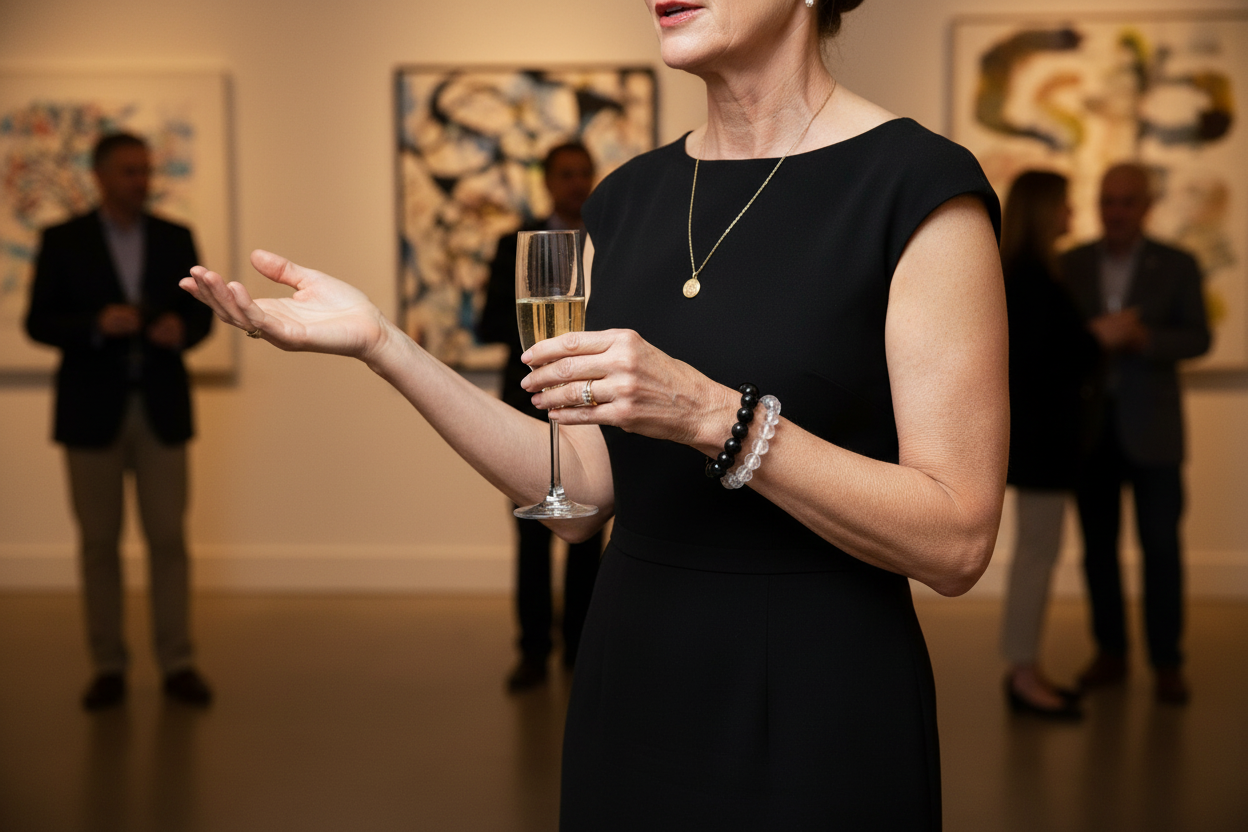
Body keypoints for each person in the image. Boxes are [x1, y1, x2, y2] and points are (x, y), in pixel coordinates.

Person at [182, 0, 1007, 826]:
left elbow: (957, 540)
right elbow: (577, 490)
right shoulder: (624, 200)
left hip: (818, 690)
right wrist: (384, 346)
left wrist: (714, 415)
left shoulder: (918, 187)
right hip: (633, 674)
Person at [25, 132, 215, 710]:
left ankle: (177, 661)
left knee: (169, 541)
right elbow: (37, 322)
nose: (142, 180)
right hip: (90, 411)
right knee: (99, 543)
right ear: (101, 175)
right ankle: (108, 665)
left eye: (146, 170)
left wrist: (181, 331)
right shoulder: (63, 240)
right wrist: (94, 325)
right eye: (130, 171)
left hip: (160, 407)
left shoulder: (175, 236)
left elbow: (201, 317)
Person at [1061, 163, 1210, 705]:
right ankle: (1111, 653)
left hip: (1154, 433)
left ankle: (1167, 662)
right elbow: (1054, 340)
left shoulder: (1177, 264)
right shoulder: (1071, 264)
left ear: (1146, 206)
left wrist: (1146, 339)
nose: (1115, 211)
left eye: (1126, 202)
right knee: (1098, 550)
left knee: (1161, 550)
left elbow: (1199, 338)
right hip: (1092, 432)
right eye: (1107, 201)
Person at [477, 142, 605, 692]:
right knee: (531, 530)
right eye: (566, 175)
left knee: (588, 525)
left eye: (584, 174)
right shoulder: (514, 244)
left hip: (589, 404)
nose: (576, 183)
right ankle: (531, 651)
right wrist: (547, 337)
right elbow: (487, 322)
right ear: (548, 182)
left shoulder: (608, 243)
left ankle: (581, 649)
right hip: (528, 400)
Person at [997, 171, 1100, 719]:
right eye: (1065, 205)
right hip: (1043, 443)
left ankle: (1024, 668)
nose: (1072, 215)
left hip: (1037, 441)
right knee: (1037, 557)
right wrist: (1094, 340)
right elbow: (1040, 361)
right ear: (1043, 211)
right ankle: (1023, 673)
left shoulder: (1022, 273)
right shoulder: (1033, 278)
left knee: (1034, 556)